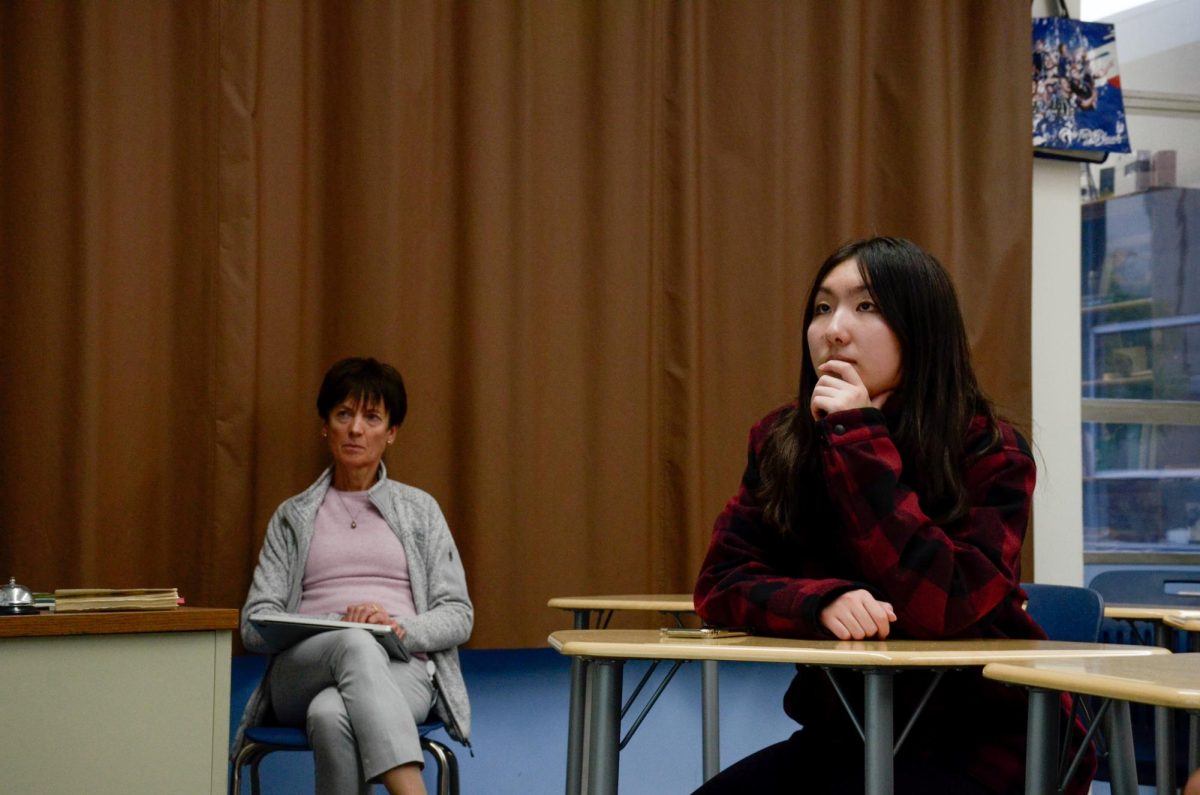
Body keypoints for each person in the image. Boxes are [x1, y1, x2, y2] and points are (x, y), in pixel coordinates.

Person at [692, 237, 1092, 795]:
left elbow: (946, 603)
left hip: (984, 742)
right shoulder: (783, 440)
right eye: (823, 307)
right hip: (847, 737)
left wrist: (858, 440)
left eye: (867, 306)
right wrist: (821, 600)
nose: (835, 329)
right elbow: (720, 581)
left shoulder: (990, 451)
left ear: (921, 329)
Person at [233, 357, 473, 795]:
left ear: (392, 433)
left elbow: (458, 614)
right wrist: (332, 624)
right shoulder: (293, 517)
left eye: (371, 417)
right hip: (301, 671)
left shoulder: (420, 511)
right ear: (325, 426)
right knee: (352, 640)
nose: (356, 429)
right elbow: (253, 624)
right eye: (343, 414)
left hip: (401, 668)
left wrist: (398, 626)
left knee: (329, 714)